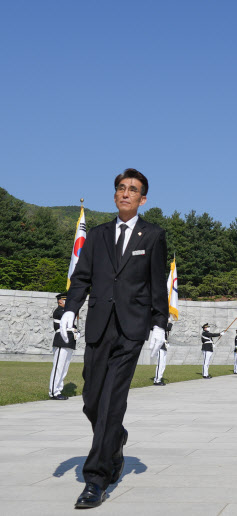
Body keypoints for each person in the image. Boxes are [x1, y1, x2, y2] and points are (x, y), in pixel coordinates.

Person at [60, 168, 169, 508]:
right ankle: (116, 438)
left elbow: (157, 283)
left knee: (110, 403)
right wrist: (70, 309)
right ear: (114, 194)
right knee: (92, 400)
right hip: (99, 327)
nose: (125, 193)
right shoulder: (97, 235)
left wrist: (159, 324)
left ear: (142, 199)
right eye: (121, 188)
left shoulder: (153, 236)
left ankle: (96, 479)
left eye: (132, 189)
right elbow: (81, 277)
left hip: (131, 329)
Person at [49, 293, 78, 400]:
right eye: (66, 300)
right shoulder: (59, 312)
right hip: (61, 341)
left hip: (69, 342)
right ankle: (53, 392)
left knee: (64, 369)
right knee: (58, 367)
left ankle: (58, 390)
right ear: (60, 301)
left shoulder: (67, 312)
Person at [154, 319, 172, 386]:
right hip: (160, 346)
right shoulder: (159, 326)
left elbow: (167, 329)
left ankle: (159, 378)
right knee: (160, 363)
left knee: (163, 364)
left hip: (164, 346)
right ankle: (157, 380)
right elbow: (168, 328)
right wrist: (169, 322)